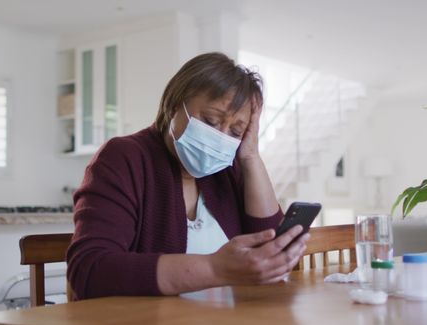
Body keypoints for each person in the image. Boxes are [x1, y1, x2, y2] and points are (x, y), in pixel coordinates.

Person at [67, 52, 311, 299]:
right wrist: (215, 268)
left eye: (236, 131)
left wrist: (250, 157)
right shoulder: (124, 157)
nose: (221, 137)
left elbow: (269, 255)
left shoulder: (228, 170)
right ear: (174, 104)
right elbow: (90, 270)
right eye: (211, 120)